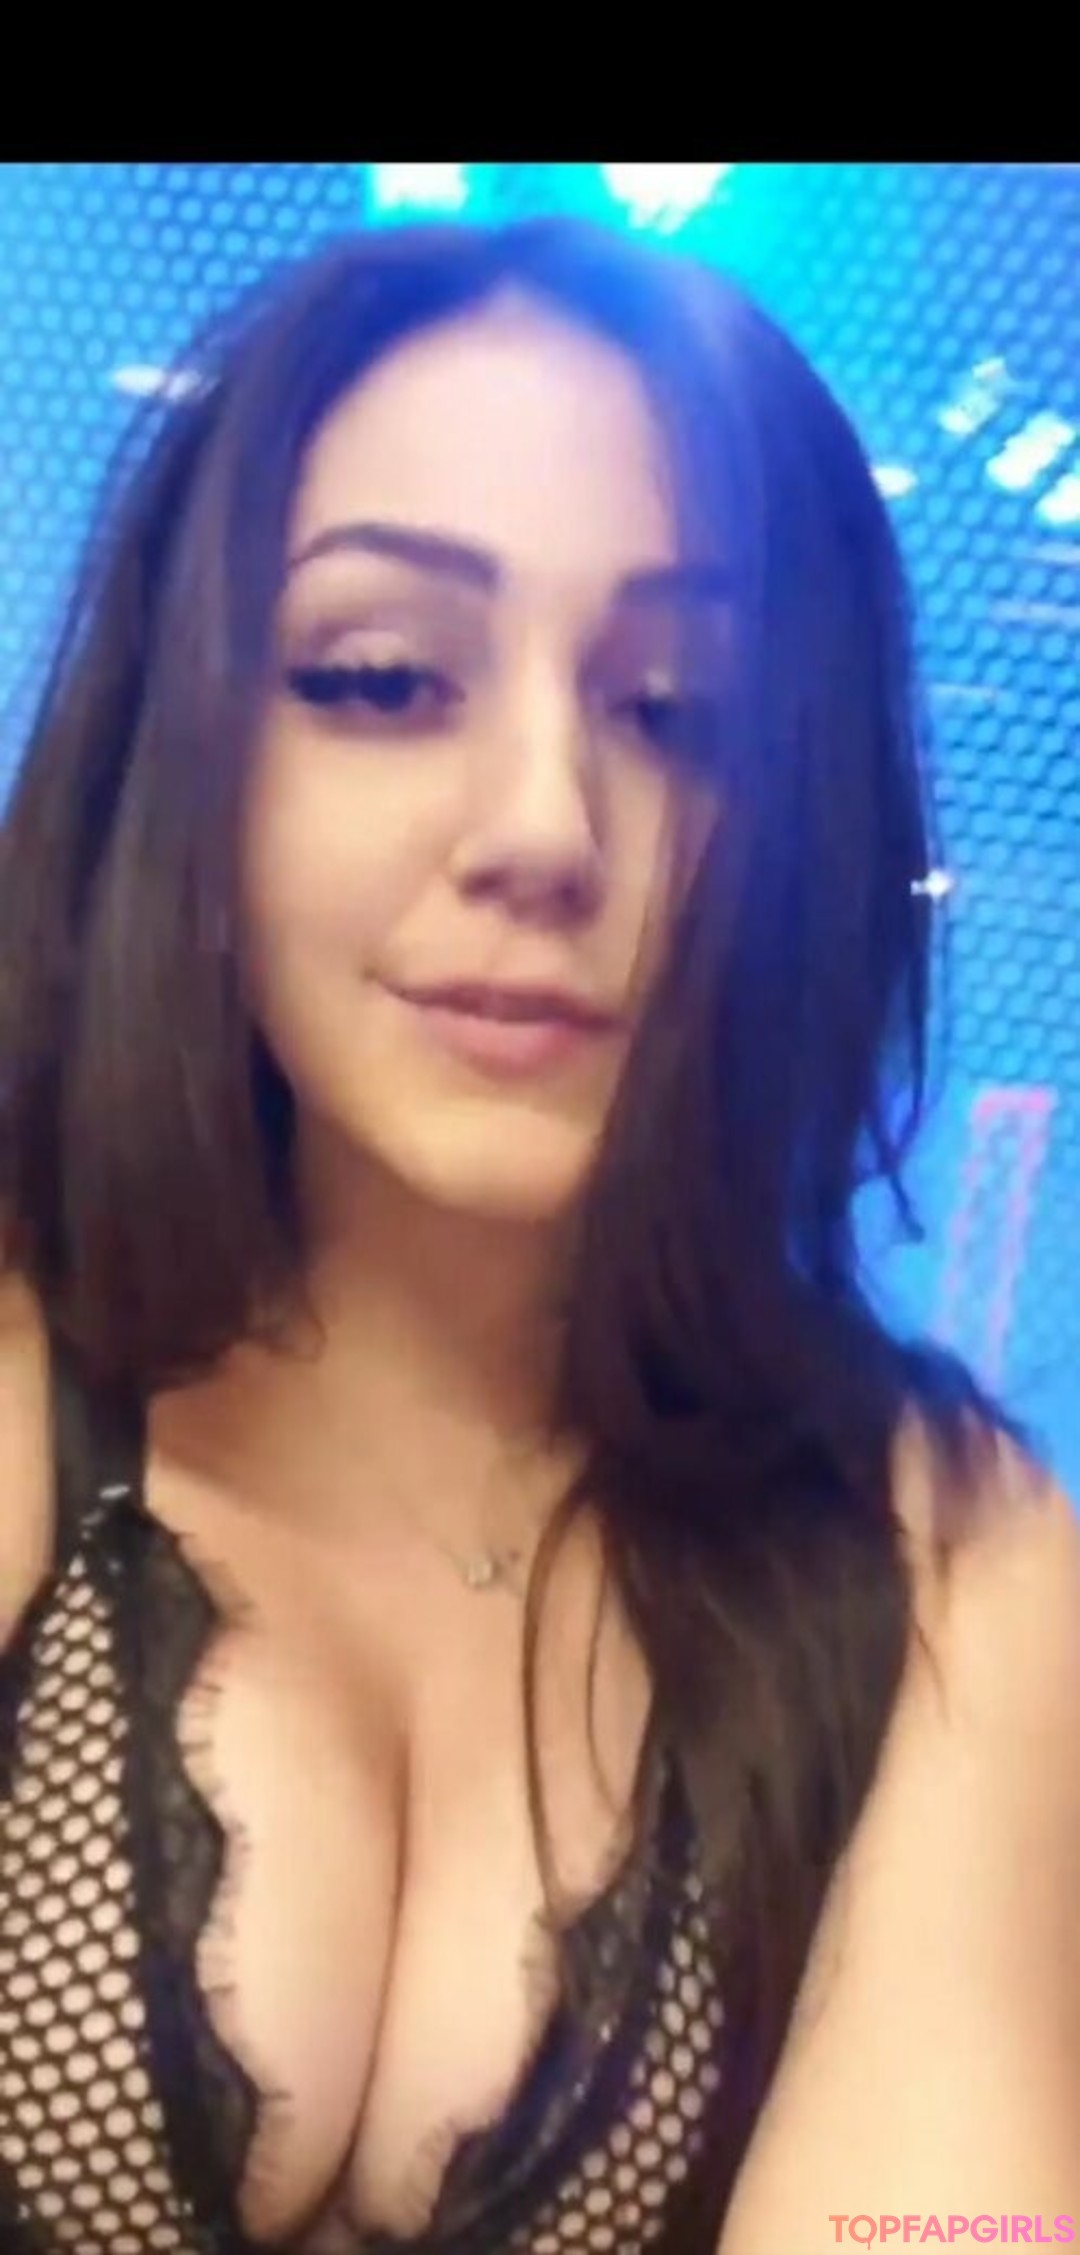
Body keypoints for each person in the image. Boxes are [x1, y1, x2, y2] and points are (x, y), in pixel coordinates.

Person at [0, 215, 1075, 2255]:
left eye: (683, 714)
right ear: (191, 755)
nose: (543, 829)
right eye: (382, 679)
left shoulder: (950, 1559)